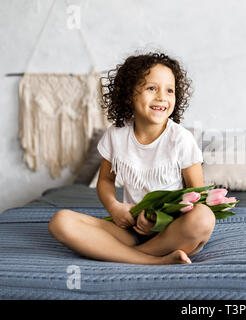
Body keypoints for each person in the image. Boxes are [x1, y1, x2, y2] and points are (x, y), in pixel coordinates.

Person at [48, 52, 215, 265]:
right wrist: (114, 207)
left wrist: (157, 220)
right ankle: (151, 259)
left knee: (203, 217)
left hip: (172, 228)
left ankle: (121, 254)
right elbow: (106, 181)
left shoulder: (181, 139)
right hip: (131, 229)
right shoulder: (116, 136)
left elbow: (196, 195)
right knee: (60, 221)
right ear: (129, 94)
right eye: (151, 88)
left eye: (169, 90)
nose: (162, 97)